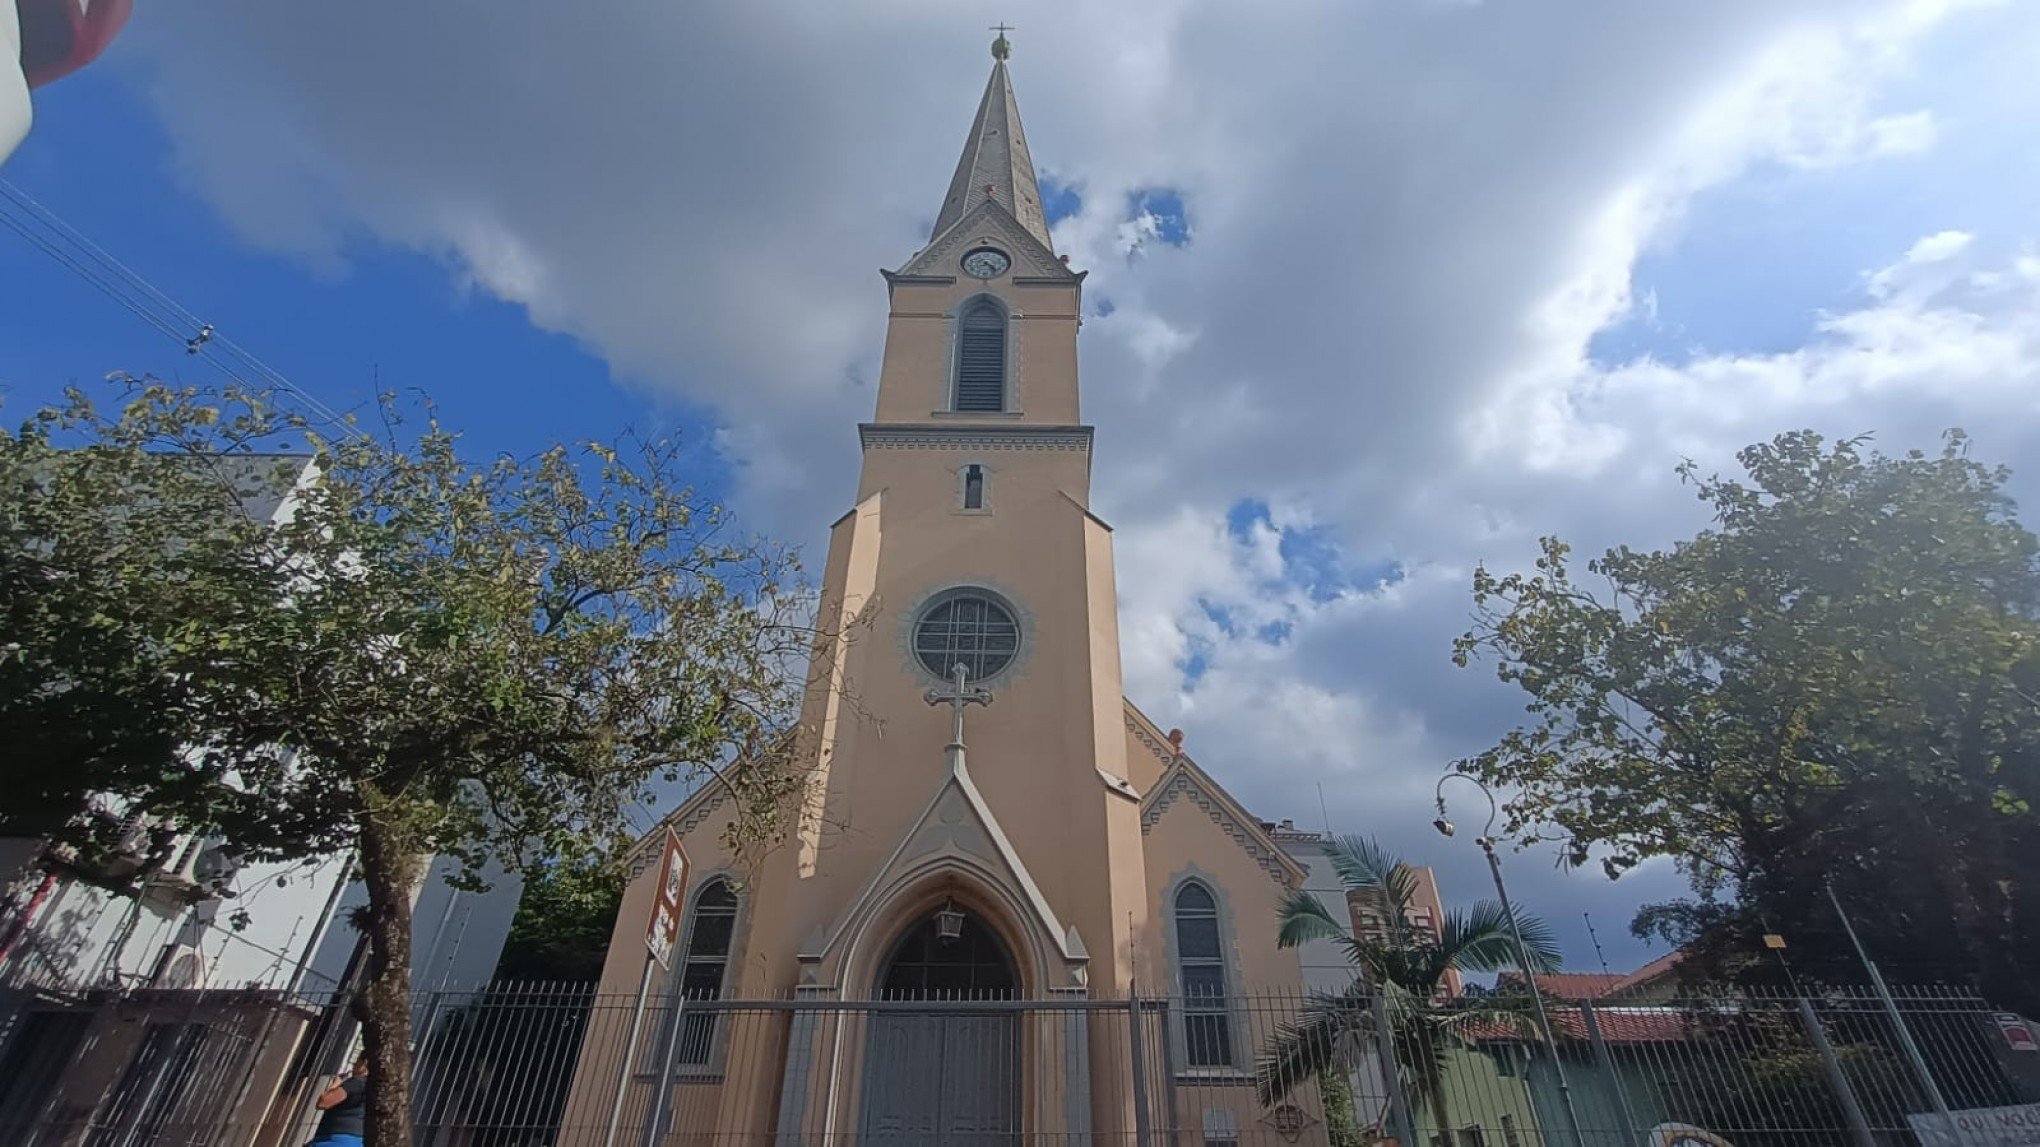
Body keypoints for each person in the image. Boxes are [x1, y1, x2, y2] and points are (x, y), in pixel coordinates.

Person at [309, 1055, 368, 1147]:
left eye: (357, 1061)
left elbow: (323, 1102)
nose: (353, 1065)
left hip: (336, 1138)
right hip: (357, 1139)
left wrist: (336, 1083)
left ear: (364, 1064)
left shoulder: (356, 1083)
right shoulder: (373, 1087)